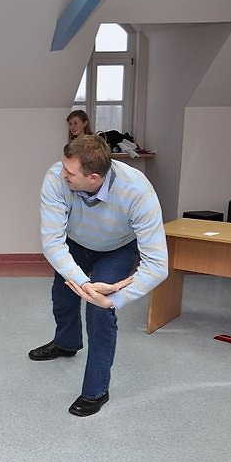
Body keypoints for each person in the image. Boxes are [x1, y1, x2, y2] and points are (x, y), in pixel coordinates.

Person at [31, 134, 168, 416]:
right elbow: (52, 243)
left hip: (117, 248)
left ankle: (96, 390)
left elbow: (157, 265)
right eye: (63, 167)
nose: (62, 174)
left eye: (70, 172)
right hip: (75, 241)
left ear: (94, 177)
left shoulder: (137, 191)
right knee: (63, 295)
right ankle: (66, 343)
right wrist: (85, 283)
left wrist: (114, 299)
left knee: (99, 312)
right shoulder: (56, 177)